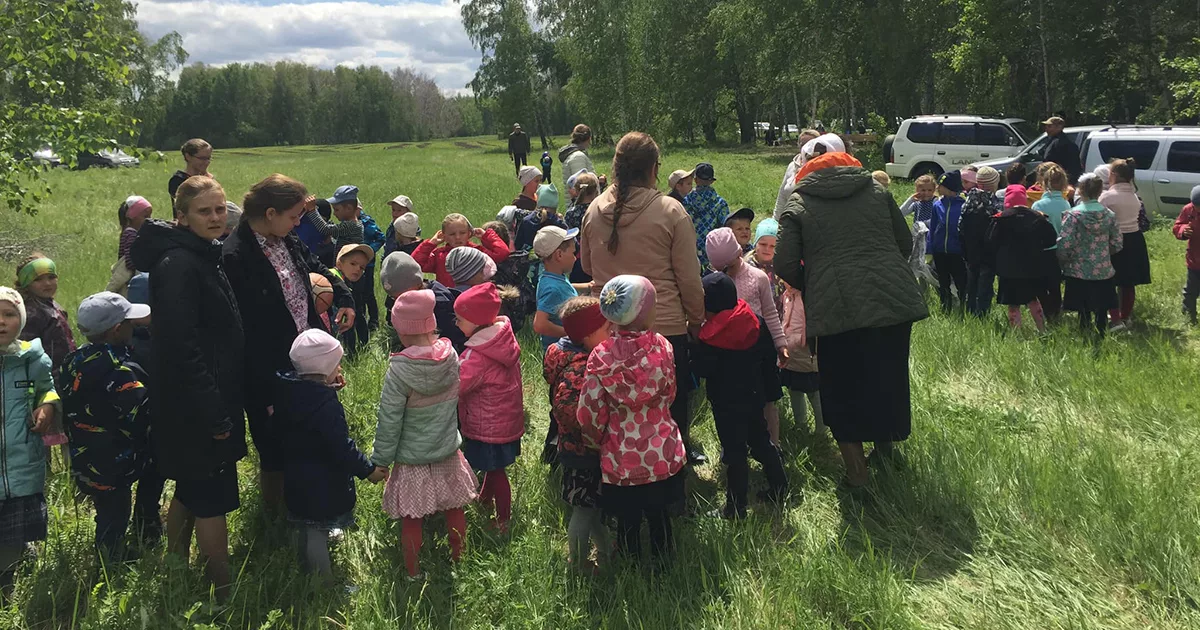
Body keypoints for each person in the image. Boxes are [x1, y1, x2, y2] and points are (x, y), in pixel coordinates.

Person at [776, 151, 928, 487]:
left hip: (836, 312)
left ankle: (858, 477)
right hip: (891, 302)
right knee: (885, 377)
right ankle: (885, 453)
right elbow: (903, 242)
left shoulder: (799, 203)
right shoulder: (877, 191)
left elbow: (785, 264)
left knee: (842, 390)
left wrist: (816, 285)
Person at [129, 177, 245, 598]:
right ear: (181, 216)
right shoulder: (178, 264)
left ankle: (174, 565)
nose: (216, 218)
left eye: (219, 209)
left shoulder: (201, 252)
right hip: (195, 400)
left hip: (201, 395)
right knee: (211, 495)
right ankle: (223, 589)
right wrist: (213, 410)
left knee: (192, 485)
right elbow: (182, 347)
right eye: (204, 211)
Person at [222, 174, 355, 518]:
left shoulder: (286, 238)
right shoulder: (236, 256)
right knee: (274, 446)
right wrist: (267, 392)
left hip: (307, 356)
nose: (299, 222)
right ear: (270, 213)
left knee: (315, 433)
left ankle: (314, 508)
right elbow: (242, 331)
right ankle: (277, 516)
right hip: (268, 369)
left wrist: (342, 295)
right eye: (294, 216)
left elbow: (316, 266)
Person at [579, 131, 706, 465]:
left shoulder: (592, 210)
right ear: (653, 169)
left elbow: (586, 266)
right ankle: (672, 481)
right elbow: (689, 279)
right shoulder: (671, 211)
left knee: (615, 413)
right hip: (662, 328)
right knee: (669, 409)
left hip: (608, 330)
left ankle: (622, 476)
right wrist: (696, 320)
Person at [577, 275, 686, 560]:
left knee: (627, 518)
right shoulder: (662, 347)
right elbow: (671, 392)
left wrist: (594, 439)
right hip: (660, 449)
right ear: (643, 313)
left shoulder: (600, 356)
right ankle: (663, 564)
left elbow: (588, 410)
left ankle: (630, 564)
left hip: (619, 453)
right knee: (659, 514)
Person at [373, 290, 478, 579]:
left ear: (402, 330)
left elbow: (389, 419)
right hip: (446, 448)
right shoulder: (450, 355)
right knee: (454, 506)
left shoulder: (399, 371)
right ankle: (460, 559)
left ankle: (413, 572)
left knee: (412, 516)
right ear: (431, 323)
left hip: (411, 458)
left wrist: (381, 460)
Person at [60, 292, 162, 561]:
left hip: (86, 454)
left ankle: (110, 545)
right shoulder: (121, 369)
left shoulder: (74, 360)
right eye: (130, 322)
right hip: (116, 460)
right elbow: (143, 413)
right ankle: (111, 559)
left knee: (106, 509)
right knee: (116, 514)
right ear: (118, 330)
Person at [275, 329, 386, 576]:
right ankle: (321, 583)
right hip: (321, 482)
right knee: (316, 532)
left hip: (295, 475)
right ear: (325, 367)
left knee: (303, 524)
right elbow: (340, 445)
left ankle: (296, 565)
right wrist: (367, 470)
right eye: (336, 364)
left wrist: (327, 386)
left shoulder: (288, 390)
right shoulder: (324, 405)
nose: (340, 369)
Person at [692, 273, 788, 518]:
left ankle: (735, 508)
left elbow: (703, 370)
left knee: (735, 452)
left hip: (726, 403)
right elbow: (768, 359)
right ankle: (780, 487)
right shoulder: (754, 320)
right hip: (755, 395)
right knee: (761, 441)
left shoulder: (709, 337)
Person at [544, 297, 612, 572]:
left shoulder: (564, 356)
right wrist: (594, 434)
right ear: (587, 335)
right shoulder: (583, 367)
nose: (613, 333)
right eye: (607, 329)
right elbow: (568, 410)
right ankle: (578, 563)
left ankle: (607, 549)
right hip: (584, 452)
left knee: (590, 507)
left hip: (574, 449)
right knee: (584, 511)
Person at [0, 287, 59, 595]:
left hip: (20, 459)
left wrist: (48, 406)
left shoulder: (30, 357)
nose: (1, 322)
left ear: (21, 319)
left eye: (9, 314)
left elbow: (47, 389)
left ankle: (8, 580)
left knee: (13, 525)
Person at [706, 228, 787, 443]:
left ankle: (773, 445)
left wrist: (780, 343)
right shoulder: (714, 284)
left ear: (739, 254)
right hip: (730, 353)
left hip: (760, 348)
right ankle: (735, 445)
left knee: (768, 399)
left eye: (730, 267)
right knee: (736, 401)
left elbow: (770, 312)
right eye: (720, 269)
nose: (727, 272)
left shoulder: (757, 277)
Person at [454, 283, 524, 533]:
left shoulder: (477, 355)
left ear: (475, 321)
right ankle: (484, 500)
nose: (456, 324)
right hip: (505, 420)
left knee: (495, 471)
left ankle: (504, 519)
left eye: (460, 319)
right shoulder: (503, 340)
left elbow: (457, 385)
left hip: (487, 425)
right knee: (493, 468)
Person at [1058, 173, 1123, 339]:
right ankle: (1101, 332)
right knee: (1102, 306)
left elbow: (1065, 244)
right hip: (1103, 270)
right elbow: (1117, 243)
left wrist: (1064, 260)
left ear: (1080, 190)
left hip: (1078, 271)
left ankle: (1084, 334)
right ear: (1100, 190)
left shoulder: (1072, 216)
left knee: (1083, 308)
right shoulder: (1109, 215)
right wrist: (1103, 254)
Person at [987, 186, 1058, 333]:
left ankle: (1016, 334)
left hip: (1009, 269)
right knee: (1033, 300)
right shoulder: (1039, 217)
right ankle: (1042, 329)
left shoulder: (1001, 219)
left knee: (1013, 304)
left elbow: (991, 241)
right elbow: (1051, 240)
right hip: (1033, 267)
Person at [1100, 158, 1151, 331]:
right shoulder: (1134, 196)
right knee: (1128, 282)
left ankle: (1114, 317)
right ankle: (1126, 316)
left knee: (1110, 280)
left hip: (1114, 240)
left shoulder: (1107, 196)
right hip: (1134, 239)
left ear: (1113, 175)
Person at [379, 252, 464, 351]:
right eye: (394, 297)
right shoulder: (395, 297)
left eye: (404, 294)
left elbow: (453, 337)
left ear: (418, 284)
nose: (400, 300)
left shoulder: (440, 302)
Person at [15, 255, 75, 379]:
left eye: (51, 277)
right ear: (26, 283)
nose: (47, 283)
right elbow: (25, 353)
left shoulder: (49, 303)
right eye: (38, 279)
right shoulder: (30, 313)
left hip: (65, 371)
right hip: (47, 376)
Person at [412, 214, 510, 288]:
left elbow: (502, 253)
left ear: (469, 234)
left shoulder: (476, 252)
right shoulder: (440, 255)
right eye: (452, 234)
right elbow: (415, 264)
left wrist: (486, 236)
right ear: (444, 236)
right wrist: (430, 243)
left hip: (472, 299)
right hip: (448, 298)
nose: (457, 237)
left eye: (462, 233)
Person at [779, 282, 824, 437]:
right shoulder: (787, 295)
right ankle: (801, 424)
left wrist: (805, 341)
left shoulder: (808, 295)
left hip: (807, 354)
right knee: (794, 389)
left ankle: (821, 429)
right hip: (791, 353)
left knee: (814, 391)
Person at [959, 166, 1003, 318]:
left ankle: (970, 310)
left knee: (971, 283)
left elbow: (960, 227)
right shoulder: (994, 204)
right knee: (985, 284)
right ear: (994, 184)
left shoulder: (968, 201)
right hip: (988, 252)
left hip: (971, 250)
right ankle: (982, 314)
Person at [1031, 164, 1071, 320]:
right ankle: (1056, 311)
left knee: (1041, 283)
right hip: (1059, 250)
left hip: (1042, 250)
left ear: (1044, 183)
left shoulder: (1038, 205)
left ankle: (1046, 311)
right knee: (1055, 284)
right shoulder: (1066, 203)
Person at [533, 226, 581, 350]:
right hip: (562, 353)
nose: (575, 258)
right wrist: (572, 334)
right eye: (573, 253)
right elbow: (540, 325)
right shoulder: (552, 289)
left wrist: (587, 286)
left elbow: (564, 291)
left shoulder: (552, 277)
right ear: (559, 255)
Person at [773, 132, 842, 220]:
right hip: (790, 219)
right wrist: (775, 220)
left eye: (810, 143)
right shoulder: (792, 166)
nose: (807, 147)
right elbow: (782, 196)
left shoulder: (824, 169)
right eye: (803, 144)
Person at [928, 171, 967, 315]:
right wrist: (931, 246)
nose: (938, 187)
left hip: (956, 251)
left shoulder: (963, 205)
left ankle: (963, 306)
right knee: (943, 281)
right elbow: (933, 227)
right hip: (940, 251)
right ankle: (945, 307)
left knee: (960, 281)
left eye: (941, 185)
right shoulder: (937, 205)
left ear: (949, 187)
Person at [683, 162, 730, 274]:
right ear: (711, 181)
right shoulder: (720, 203)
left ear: (695, 180)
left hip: (690, 249)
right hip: (713, 251)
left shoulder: (686, 202)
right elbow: (726, 228)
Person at [332, 244, 375, 354]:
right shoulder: (332, 277)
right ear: (339, 263)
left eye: (362, 268)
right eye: (353, 264)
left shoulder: (348, 280)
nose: (357, 269)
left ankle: (352, 354)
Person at [109, 195, 154, 294]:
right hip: (130, 280)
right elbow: (130, 258)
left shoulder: (129, 232)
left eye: (150, 216)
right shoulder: (131, 233)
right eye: (145, 216)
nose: (149, 220)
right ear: (132, 217)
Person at [743, 219, 785, 323]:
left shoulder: (781, 264)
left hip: (779, 319)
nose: (767, 249)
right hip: (755, 320)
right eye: (763, 244)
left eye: (773, 246)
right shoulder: (747, 266)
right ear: (755, 243)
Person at [1173, 185, 1200, 325]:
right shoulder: (1188, 209)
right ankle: (1189, 317)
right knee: (1191, 291)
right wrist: (1183, 231)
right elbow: (1178, 225)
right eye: (1196, 206)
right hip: (1194, 260)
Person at [516, 183, 565, 253]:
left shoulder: (527, 221)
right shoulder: (559, 223)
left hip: (530, 262)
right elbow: (572, 245)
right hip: (554, 262)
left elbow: (518, 245)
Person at [168, 138, 212, 204]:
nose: (207, 162)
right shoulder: (178, 180)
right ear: (188, 157)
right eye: (202, 158)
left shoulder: (209, 178)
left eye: (208, 158)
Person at [1040, 116, 1082, 182]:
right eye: (1046, 126)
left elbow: (1072, 166)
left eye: (1049, 126)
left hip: (1059, 180)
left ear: (1059, 127)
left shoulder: (1062, 143)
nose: (1046, 129)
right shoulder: (1053, 141)